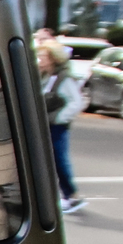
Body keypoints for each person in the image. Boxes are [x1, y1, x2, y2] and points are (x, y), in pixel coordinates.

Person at [35, 31, 84, 213]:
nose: (40, 59)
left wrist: (58, 118)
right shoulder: (45, 76)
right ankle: (59, 196)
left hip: (57, 126)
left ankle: (72, 196)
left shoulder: (64, 79)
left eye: (43, 57)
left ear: (53, 59)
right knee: (47, 161)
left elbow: (76, 103)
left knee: (59, 161)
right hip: (46, 124)